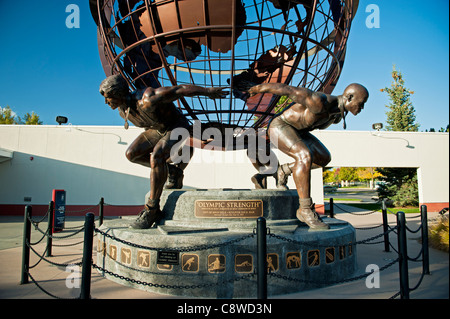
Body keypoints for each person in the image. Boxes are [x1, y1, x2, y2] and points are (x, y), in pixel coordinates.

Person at [99, 74, 228, 229]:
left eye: (109, 98)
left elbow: (178, 90)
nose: (106, 102)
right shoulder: (123, 111)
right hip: (157, 129)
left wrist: (207, 91)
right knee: (131, 154)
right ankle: (172, 171)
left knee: (157, 155)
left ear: (119, 93)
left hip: (176, 126)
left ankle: (152, 209)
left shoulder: (147, 99)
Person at [247, 82, 369, 230]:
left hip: (300, 132)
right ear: (349, 97)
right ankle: (305, 209)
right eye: (361, 104)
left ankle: (283, 170)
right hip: (280, 126)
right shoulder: (319, 101)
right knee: (304, 156)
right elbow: (288, 90)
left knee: (324, 158)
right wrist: (257, 88)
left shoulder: (337, 115)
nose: (362, 108)